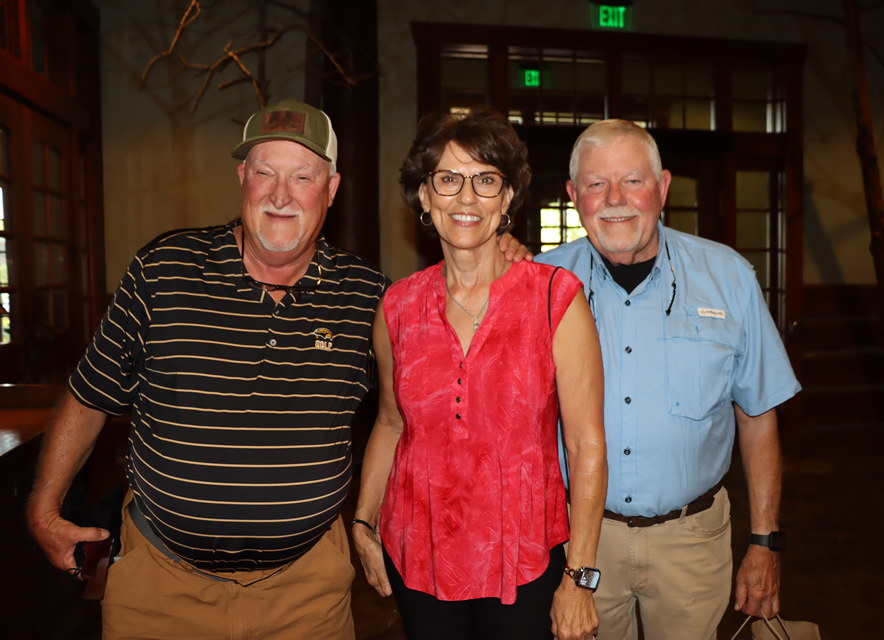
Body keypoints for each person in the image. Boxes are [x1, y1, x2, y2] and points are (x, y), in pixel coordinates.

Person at [26, 99, 528, 639]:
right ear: (243, 178)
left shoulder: (368, 297)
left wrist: (496, 255)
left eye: (303, 176)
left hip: (307, 595)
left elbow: (419, 410)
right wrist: (44, 507)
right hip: (159, 585)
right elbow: (90, 394)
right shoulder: (163, 271)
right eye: (265, 172)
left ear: (332, 190)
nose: (281, 194)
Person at [536, 119, 801, 640]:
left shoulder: (728, 278)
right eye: (595, 184)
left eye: (633, 180)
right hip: (579, 544)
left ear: (662, 187)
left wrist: (765, 543)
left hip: (693, 541)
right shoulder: (538, 284)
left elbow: (758, 417)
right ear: (572, 195)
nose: (615, 199)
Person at [351, 109, 608, 640]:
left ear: (508, 197)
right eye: (448, 179)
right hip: (417, 553)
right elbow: (390, 424)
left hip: (524, 557)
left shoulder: (556, 300)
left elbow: (586, 446)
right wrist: (363, 520)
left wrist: (579, 579)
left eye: (485, 180)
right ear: (425, 196)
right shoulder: (396, 306)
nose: (466, 198)